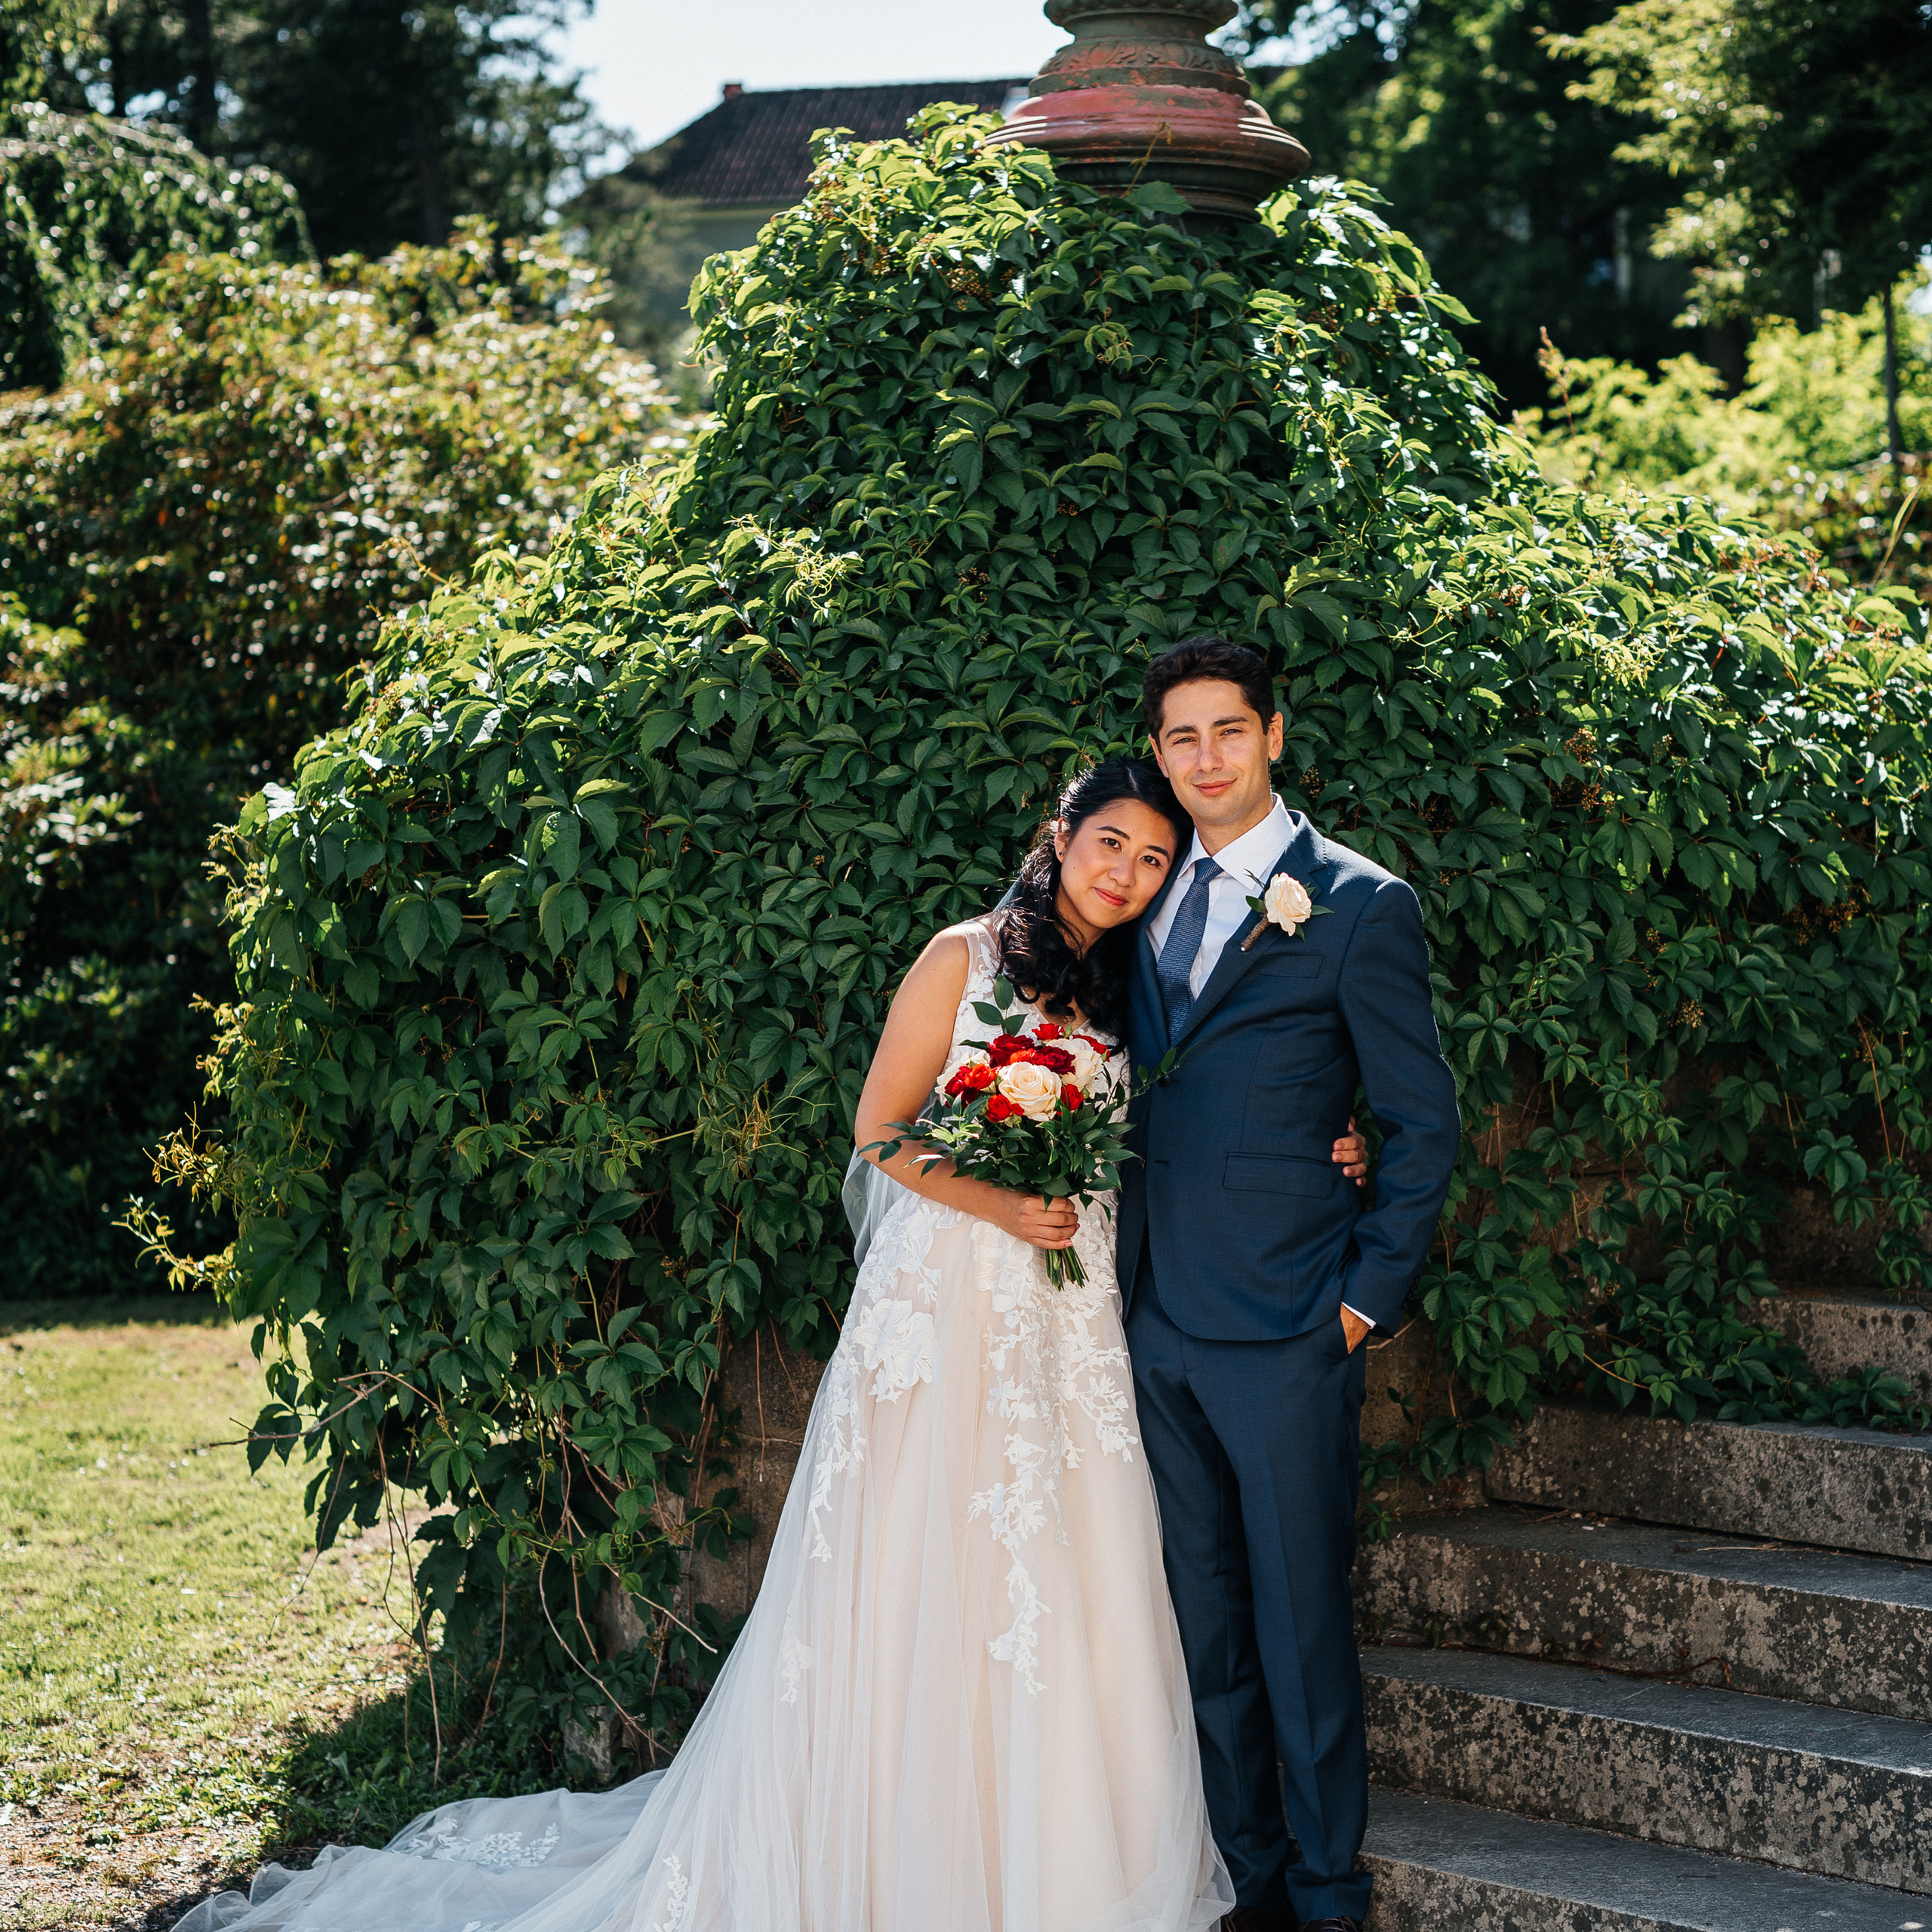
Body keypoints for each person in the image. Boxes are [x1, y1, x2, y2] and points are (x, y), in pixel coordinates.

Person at [177, 755, 1372, 1932]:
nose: (1128, 871)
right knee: (912, 1569)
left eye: (1156, 857)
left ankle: (1050, 1858)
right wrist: (1003, 1204)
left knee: (1071, 1570)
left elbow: (1201, 1113)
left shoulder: (1138, 992)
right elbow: (879, 1131)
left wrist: (1333, 1145)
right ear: (1060, 839)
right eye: (1111, 842)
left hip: (1070, 1325)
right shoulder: (960, 959)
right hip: (947, 1306)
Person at [1118, 637, 1461, 1932]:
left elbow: (1420, 1124)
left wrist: (1364, 1300)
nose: (1203, 760)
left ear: (1275, 735)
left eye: (1227, 733)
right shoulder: (1135, 888)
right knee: (1204, 1632)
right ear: (1159, 754)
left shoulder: (1362, 905)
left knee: (1303, 1635)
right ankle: (1244, 1883)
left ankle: (1329, 1897)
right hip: (1153, 1319)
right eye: (1179, 740)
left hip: (1289, 1325)